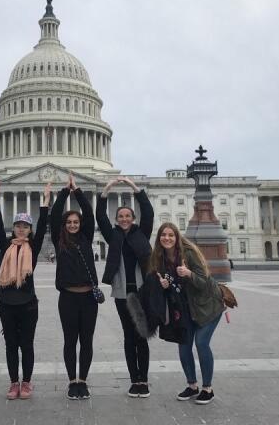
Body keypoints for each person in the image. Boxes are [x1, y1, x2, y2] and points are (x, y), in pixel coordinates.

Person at [148, 222, 225, 405]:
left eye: (171, 235)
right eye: (163, 235)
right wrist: (165, 287)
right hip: (185, 309)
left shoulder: (188, 254)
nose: (167, 238)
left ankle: (208, 388)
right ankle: (192, 386)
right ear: (159, 238)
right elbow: (171, 289)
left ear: (177, 237)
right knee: (184, 346)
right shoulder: (160, 259)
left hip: (208, 306)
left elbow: (204, 283)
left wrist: (189, 273)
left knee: (201, 343)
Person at [0, 180, 51, 399]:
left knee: (26, 344)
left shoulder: (32, 248)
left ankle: (26, 382)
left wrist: (45, 202)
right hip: (6, 303)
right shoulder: (6, 245)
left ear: (30, 229)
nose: (22, 229)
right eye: (18, 225)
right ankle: (13, 382)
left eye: (25, 226)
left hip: (27, 304)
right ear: (14, 227)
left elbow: (44, 224)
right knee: (10, 345)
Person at [97, 176, 154, 398]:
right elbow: (100, 216)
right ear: (117, 219)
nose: (124, 219)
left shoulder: (142, 233)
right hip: (122, 293)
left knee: (142, 335)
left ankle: (144, 380)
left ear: (133, 218)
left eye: (127, 216)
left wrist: (133, 187)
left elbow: (148, 212)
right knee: (129, 336)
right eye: (120, 216)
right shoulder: (113, 237)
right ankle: (134, 380)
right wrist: (107, 189)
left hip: (142, 292)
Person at [50, 173, 99, 400]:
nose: (72, 225)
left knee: (87, 341)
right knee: (70, 341)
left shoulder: (86, 238)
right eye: (68, 222)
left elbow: (88, 213)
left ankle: (84, 380)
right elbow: (53, 218)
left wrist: (77, 191)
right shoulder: (59, 240)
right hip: (68, 298)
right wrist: (62, 193)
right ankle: (72, 381)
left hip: (89, 298)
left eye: (75, 222)